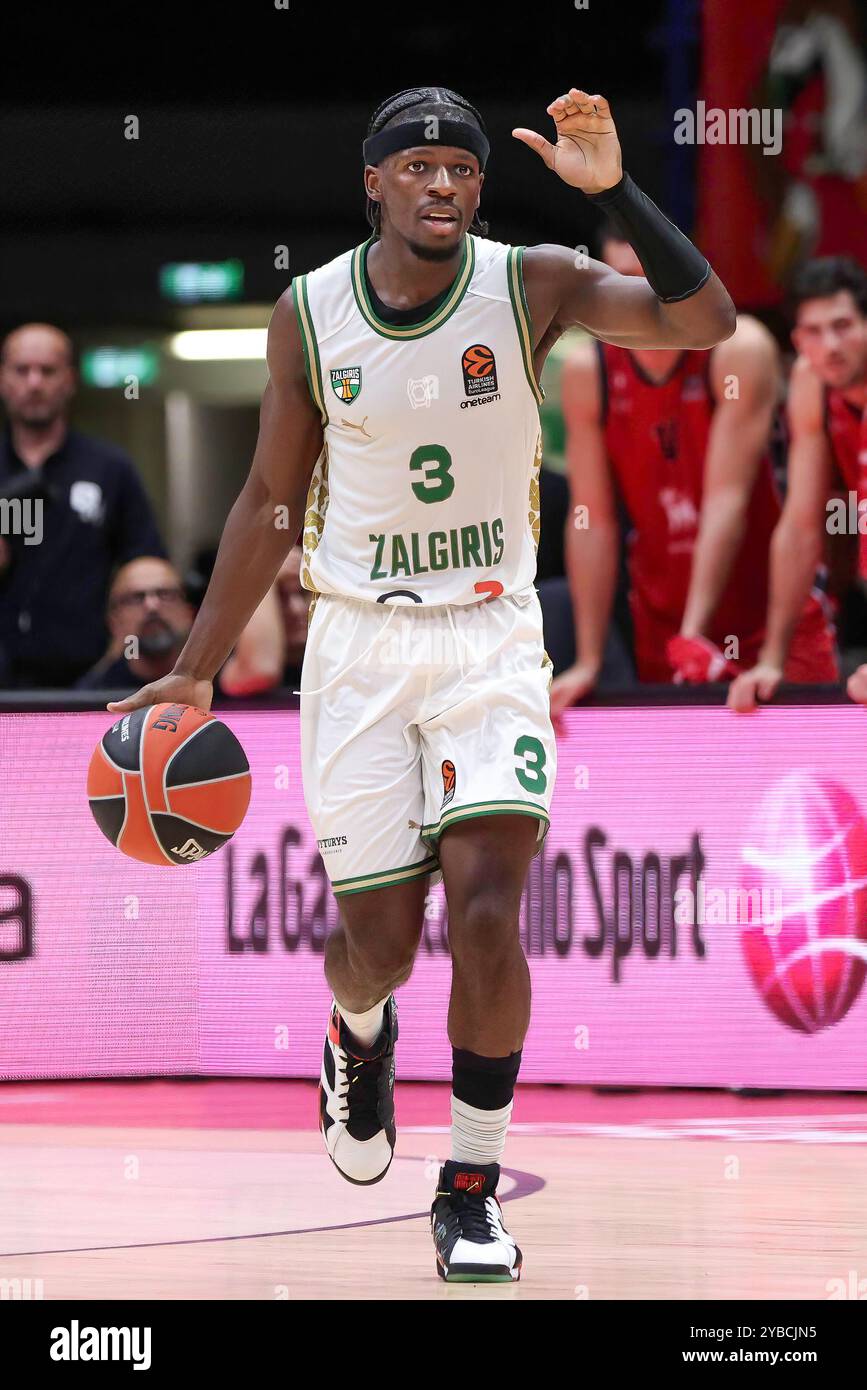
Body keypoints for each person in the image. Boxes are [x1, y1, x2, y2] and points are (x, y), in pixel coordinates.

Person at [107, 84, 735, 1281]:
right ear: (375, 184)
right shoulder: (308, 313)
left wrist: (616, 195)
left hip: (491, 638)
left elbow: (703, 321)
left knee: (492, 910)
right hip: (354, 647)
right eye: (420, 167)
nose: (443, 184)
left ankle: (470, 1188)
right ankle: (356, 1032)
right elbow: (268, 502)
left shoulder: (533, 280)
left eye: (463, 167)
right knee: (380, 949)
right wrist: (195, 667)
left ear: (481, 189)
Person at [551, 225, 836, 711]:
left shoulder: (739, 349)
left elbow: (727, 499)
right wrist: (591, 659)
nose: (634, 300)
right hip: (661, 620)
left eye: (648, 280)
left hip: (770, 619)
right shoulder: (588, 371)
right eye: (618, 285)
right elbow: (592, 519)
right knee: (689, 780)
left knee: (800, 781)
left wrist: (695, 631)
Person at [729, 257, 867, 711]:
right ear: (796, 342)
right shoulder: (811, 382)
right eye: (814, 331)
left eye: (843, 325)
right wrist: (772, 659)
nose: (830, 345)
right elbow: (800, 527)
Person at [0, 323, 166, 687]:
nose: (34, 383)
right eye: (21, 370)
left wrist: (125, 649)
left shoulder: (108, 467)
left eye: (47, 371)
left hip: (88, 678)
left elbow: (147, 565)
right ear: (2, 378)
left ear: (70, 380)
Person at [75, 557, 194, 691]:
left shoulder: (217, 684)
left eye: (165, 594)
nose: (152, 606)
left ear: (188, 613)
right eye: (136, 598)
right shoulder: (89, 697)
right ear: (114, 621)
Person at [219, 546, 310, 696]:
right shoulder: (223, 665)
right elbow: (260, 669)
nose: (297, 609)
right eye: (280, 595)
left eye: (304, 592)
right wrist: (262, 572)